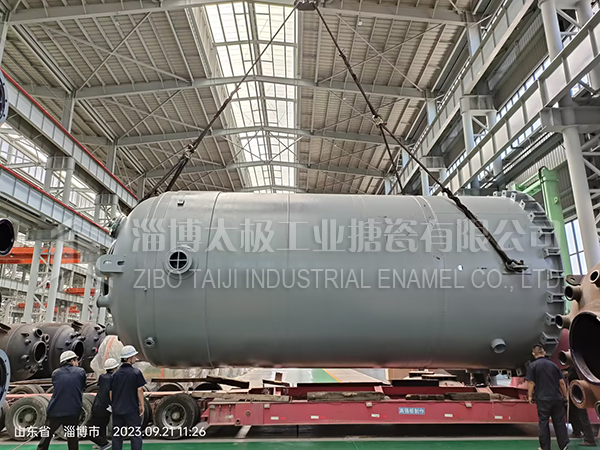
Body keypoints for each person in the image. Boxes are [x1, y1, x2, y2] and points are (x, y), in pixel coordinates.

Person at [38, 350, 86, 450]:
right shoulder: (81, 372)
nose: (77, 362)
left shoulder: (55, 373)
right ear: (72, 361)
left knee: (46, 436)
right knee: (72, 438)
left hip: (55, 410)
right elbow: (82, 386)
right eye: (76, 360)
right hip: (73, 411)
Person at [527, 344, 570, 450]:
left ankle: (545, 447)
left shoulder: (533, 366)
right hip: (556, 398)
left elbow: (531, 382)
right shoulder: (553, 365)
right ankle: (564, 446)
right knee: (559, 422)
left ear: (534, 354)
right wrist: (565, 396)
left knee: (543, 423)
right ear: (544, 353)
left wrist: (529, 396)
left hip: (543, 399)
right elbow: (561, 382)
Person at [111, 345, 146, 450]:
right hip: (131, 409)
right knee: (135, 435)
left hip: (117, 409)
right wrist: (142, 405)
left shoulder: (115, 374)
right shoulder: (136, 373)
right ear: (130, 358)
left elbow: (111, 392)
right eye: (134, 356)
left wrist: (113, 404)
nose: (135, 358)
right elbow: (139, 389)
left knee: (117, 435)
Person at [87, 358, 119, 450]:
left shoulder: (102, 377)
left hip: (98, 406)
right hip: (107, 407)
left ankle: (104, 443)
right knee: (102, 426)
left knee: (88, 430)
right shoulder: (116, 378)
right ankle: (103, 444)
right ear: (115, 368)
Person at [566, 366, 597, 447]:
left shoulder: (578, 368)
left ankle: (590, 439)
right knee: (574, 414)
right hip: (576, 393)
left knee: (583, 416)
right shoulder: (577, 367)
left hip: (579, 395)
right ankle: (577, 431)